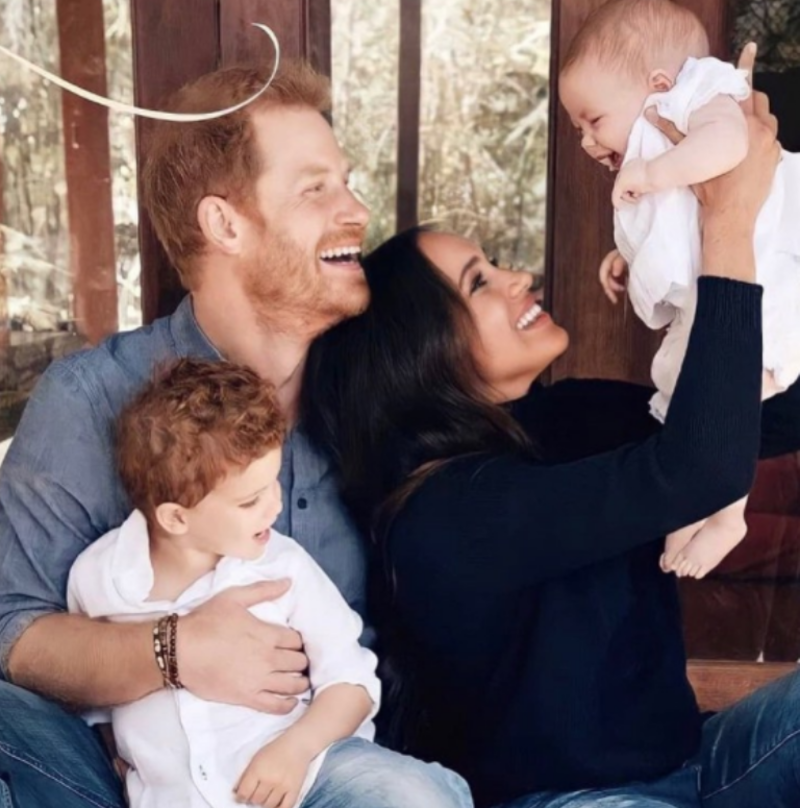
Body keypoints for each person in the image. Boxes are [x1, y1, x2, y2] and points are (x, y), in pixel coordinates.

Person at [302, 74, 800, 807]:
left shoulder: (569, 416)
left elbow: (761, 422)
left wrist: (749, 237)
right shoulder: (443, 514)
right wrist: (728, 220)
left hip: (699, 761)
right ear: (420, 354)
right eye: (480, 283)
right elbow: (699, 471)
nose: (520, 278)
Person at [0, 61, 471, 808]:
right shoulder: (91, 398)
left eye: (346, 183)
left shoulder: (369, 391)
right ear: (224, 224)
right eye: (315, 189)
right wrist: (173, 650)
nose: (355, 210)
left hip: (318, 771)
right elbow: (13, 632)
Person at [68, 357, 463, 808]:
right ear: (176, 518)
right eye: (250, 500)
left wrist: (294, 752)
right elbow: (93, 700)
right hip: (177, 800)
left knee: (413, 794)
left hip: (309, 782)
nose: (274, 507)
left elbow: (351, 683)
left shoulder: (283, 567)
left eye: (274, 483)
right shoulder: (99, 577)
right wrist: (123, 760)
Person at [558, 0, 800, 580]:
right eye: (578, 130)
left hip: (769, 280)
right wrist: (629, 255)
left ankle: (728, 514)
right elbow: (681, 223)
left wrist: (650, 174)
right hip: (726, 280)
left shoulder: (702, 95)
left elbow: (729, 146)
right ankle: (698, 502)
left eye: (594, 120)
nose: (587, 142)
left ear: (660, 86)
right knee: (688, 391)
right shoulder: (666, 141)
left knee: (729, 392)